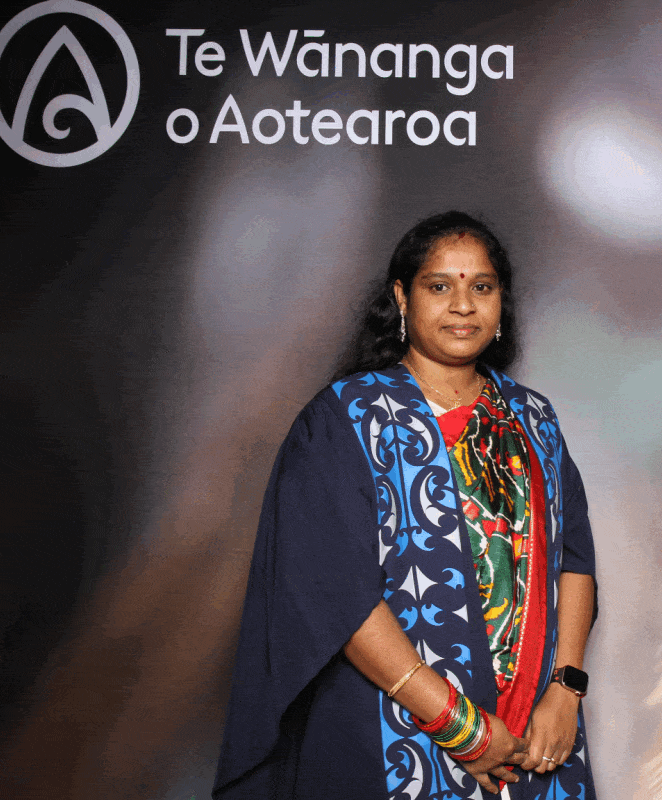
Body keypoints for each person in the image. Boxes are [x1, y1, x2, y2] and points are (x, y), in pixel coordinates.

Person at [213, 211, 598, 800]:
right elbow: (334, 593)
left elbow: (574, 560)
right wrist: (460, 726)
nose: (463, 306)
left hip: (536, 738)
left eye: (482, 287)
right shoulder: (345, 419)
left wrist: (565, 690)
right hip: (391, 733)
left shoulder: (534, 419)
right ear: (401, 297)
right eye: (439, 287)